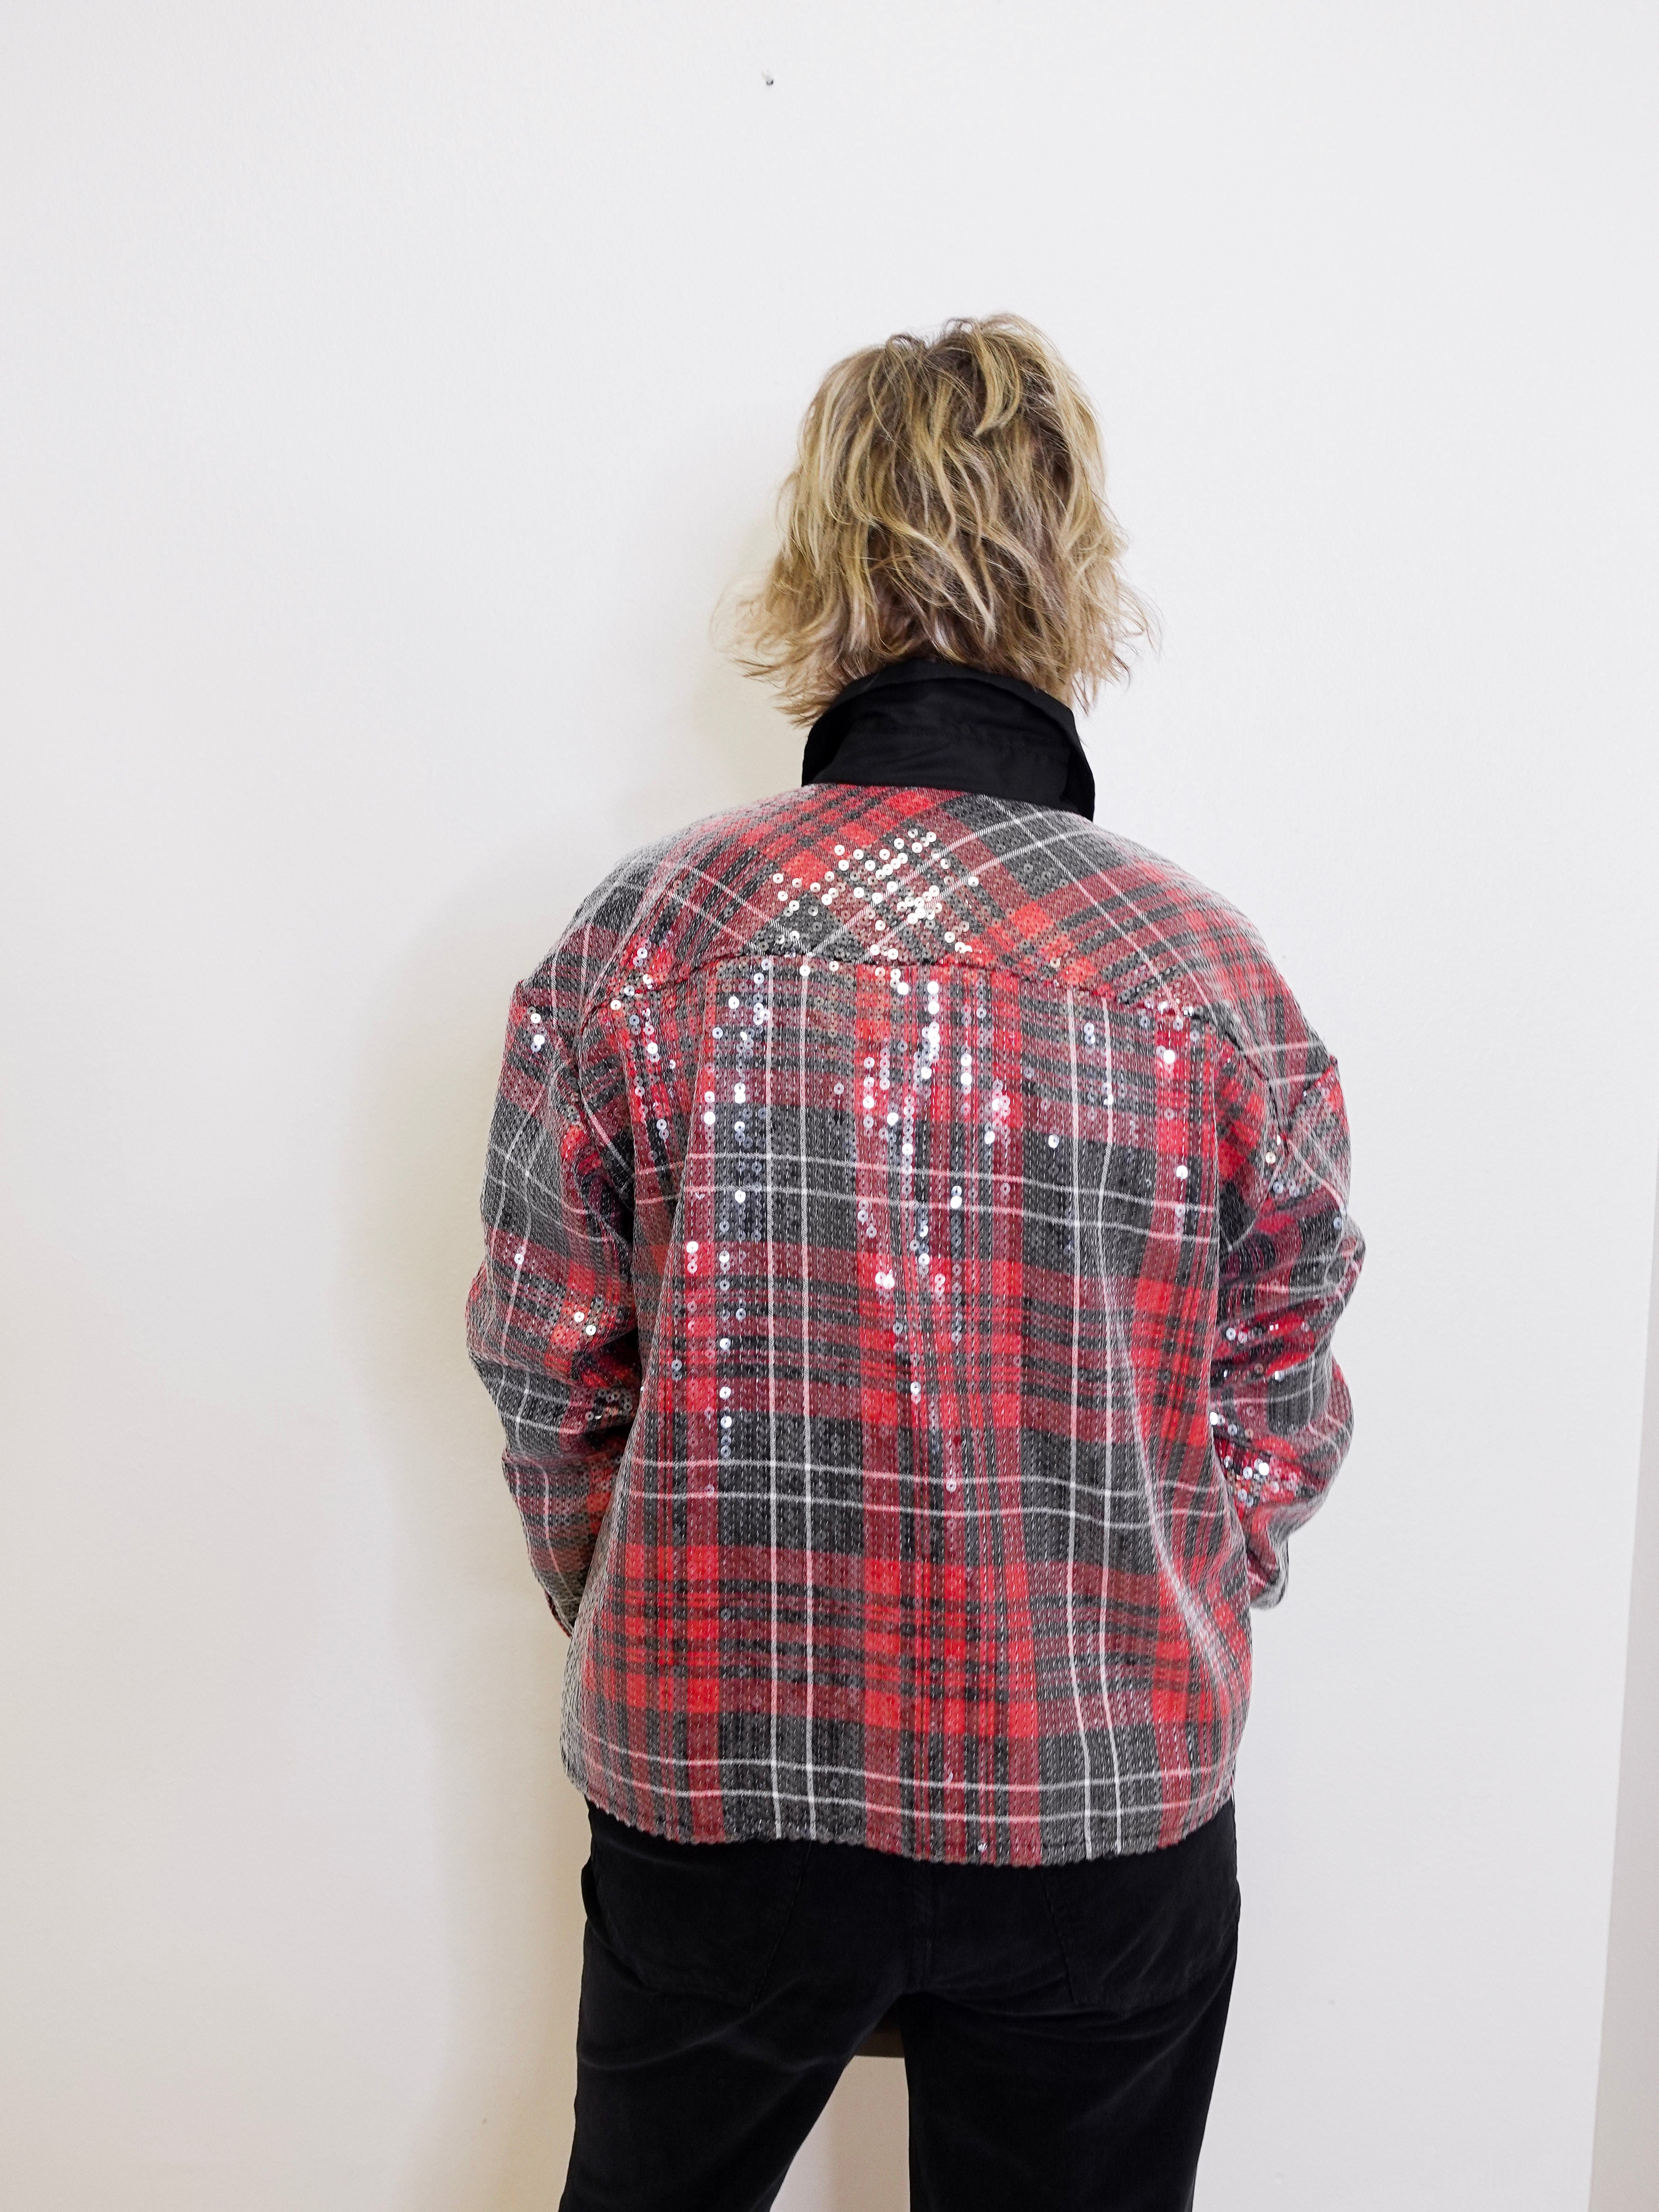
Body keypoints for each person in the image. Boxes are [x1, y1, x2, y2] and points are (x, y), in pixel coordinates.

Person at [466, 315, 1363, 2212]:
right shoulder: (1212, 979)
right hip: (1103, 1808)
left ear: (822, 563)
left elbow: (550, 1368)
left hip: (716, 1792)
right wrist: (1181, 1586)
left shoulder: (648, 936)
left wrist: (642, 1604)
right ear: (1070, 571)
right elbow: (1283, 1387)